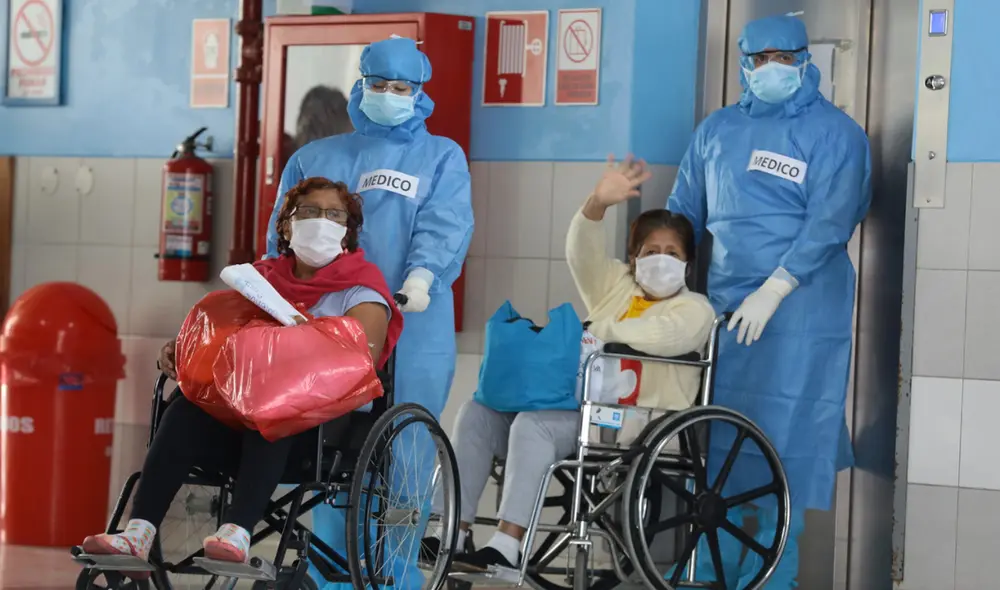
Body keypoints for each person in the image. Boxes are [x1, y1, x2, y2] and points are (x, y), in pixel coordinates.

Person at [81, 177, 403, 578]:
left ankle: (236, 533)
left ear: (347, 230)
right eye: (308, 212)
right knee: (185, 406)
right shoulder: (258, 280)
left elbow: (360, 358)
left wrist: (302, 340)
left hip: (317, 435)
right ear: (285, 226)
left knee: (274, 401)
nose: (320, 221)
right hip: (235, 425)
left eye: (333, 214)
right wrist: (184, 350)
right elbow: (220, 338)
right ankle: (138, 533)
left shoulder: (362, 289)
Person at [422, 156, 716, 572]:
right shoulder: (616, 286)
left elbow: (670, 336)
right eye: (651, 251)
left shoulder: (695, 308)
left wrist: (605, 332)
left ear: (687, 263)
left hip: (638, 422)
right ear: (633, 258)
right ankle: (450, 531)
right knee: (477, 413)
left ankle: (507, 547)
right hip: (578, 411)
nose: (661, 260)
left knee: (533, 423)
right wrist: (597, 202)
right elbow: (581, 251)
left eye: (672, 253)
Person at [666, 14, 871, 589]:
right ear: (742, 63)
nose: (772, 68)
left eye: (785, 57)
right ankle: (708, 568)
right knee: (725, 438)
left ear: (806, 60)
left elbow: (831, 222)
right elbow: (684, 209)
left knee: (786, 438)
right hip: (727, 311)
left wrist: (777, 287)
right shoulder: (717, 131)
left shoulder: (837, 134)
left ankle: (772, 574)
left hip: (800, 312)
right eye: (761, 58)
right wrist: (662, 275)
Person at [265, 36, 473, 589]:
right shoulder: (316, 158)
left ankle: (398, 574)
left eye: (400, 88)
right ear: (361, 85)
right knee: (330, 457)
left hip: (416, 323)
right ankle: (333, 572)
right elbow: (280, 241)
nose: (388, 95)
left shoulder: (441, 156)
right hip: (332, 326)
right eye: (377, 85)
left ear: (419, 93)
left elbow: (445, 222)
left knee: (405, 455)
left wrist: (423, 274)